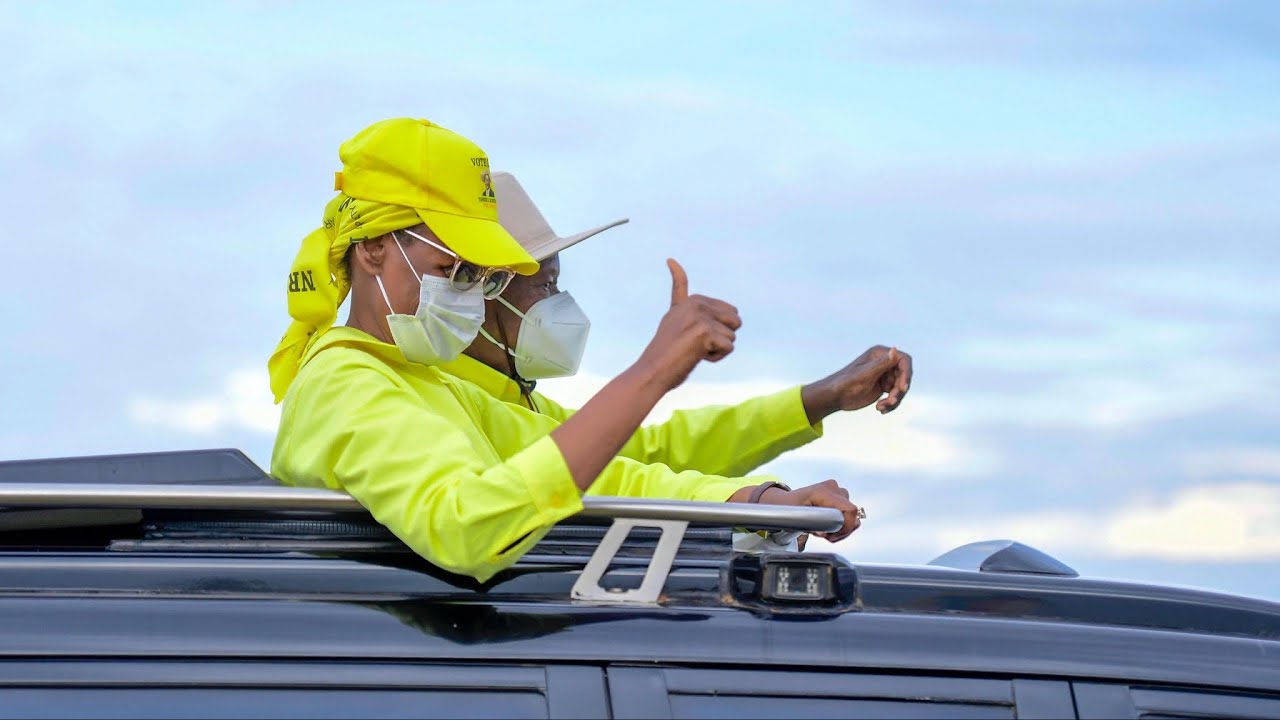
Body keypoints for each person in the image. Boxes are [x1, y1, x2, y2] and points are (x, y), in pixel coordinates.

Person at [267, 118, 864, 582]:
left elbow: (617, 472)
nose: (469, 295)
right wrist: (654, 371)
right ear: (373, 249)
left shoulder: (427, 383)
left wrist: (755, 505)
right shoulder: (345, 382)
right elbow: (469, 527)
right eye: (451, 269)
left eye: (481, 278)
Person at [441, 171, 914, 495]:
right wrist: (755, 504)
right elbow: (622, 479)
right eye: (546, 285)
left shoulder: (514, 399)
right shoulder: (452, 401)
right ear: (484, 292)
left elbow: (652, 453)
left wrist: (823, 396)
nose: (559, 301)